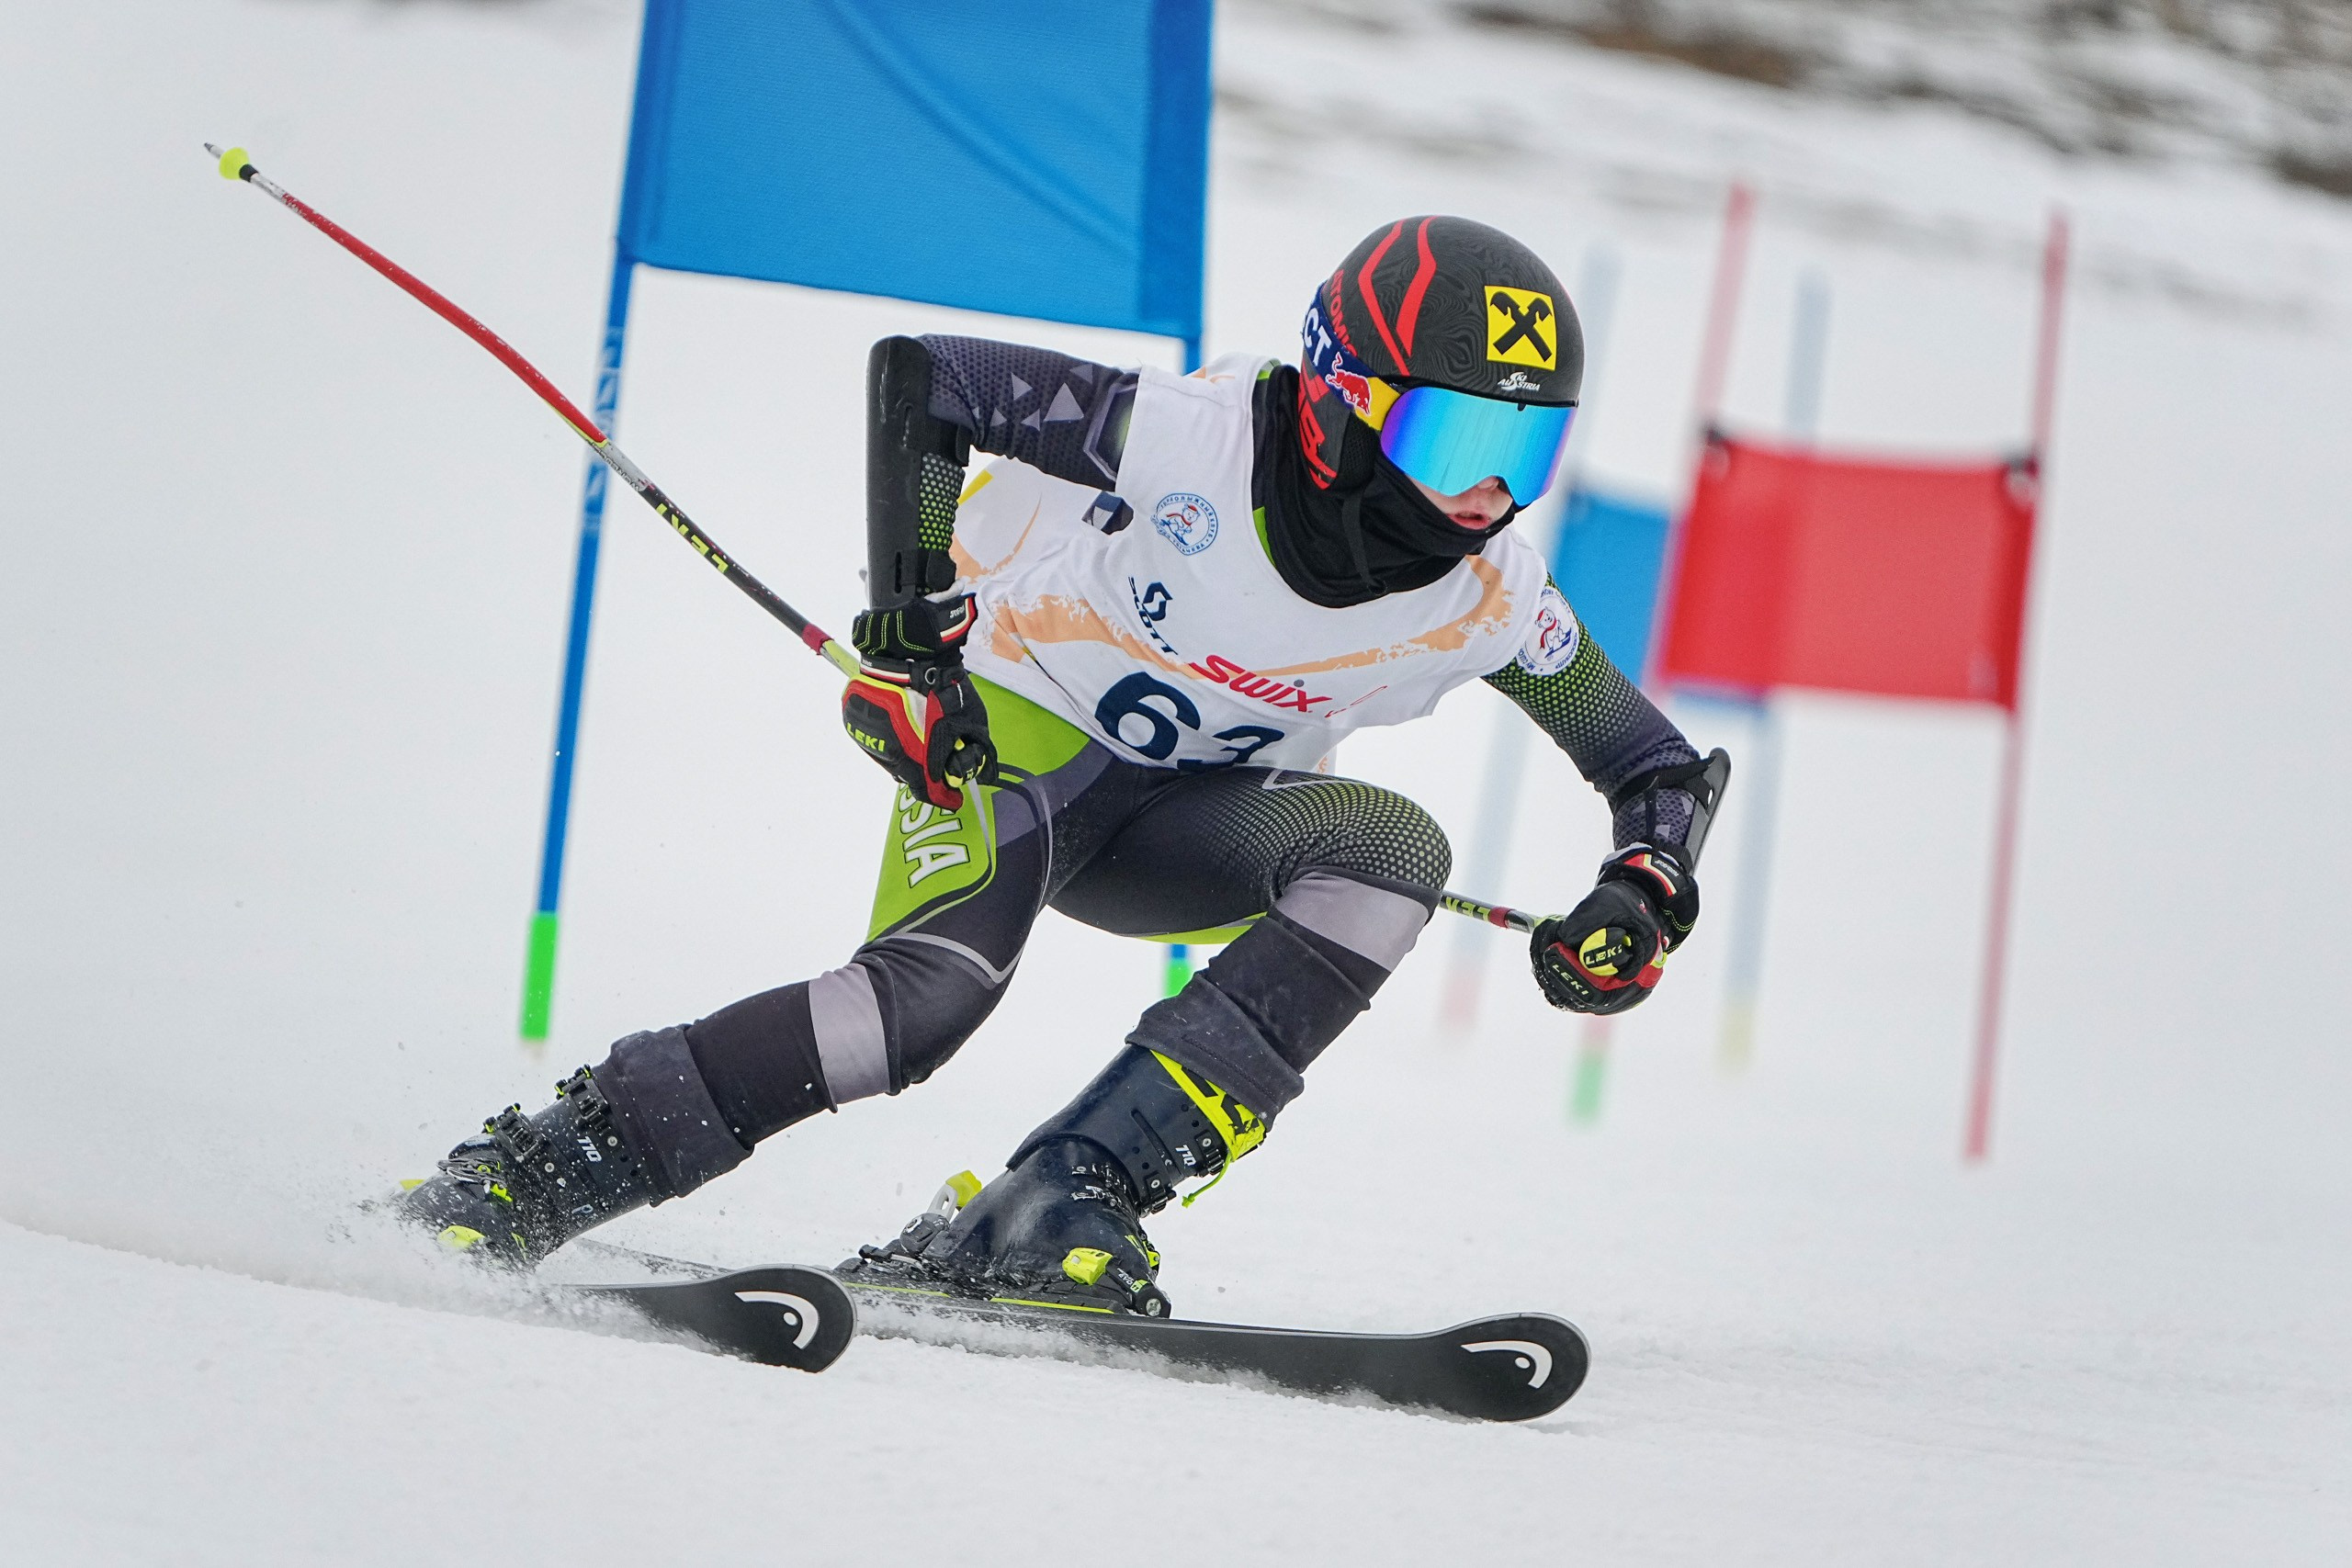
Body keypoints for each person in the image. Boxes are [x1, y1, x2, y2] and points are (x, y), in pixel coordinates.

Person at [399, 216, 1725, 1315]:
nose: (1488, 499)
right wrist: (914, 633)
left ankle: (1068, 1197)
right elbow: (932, 378)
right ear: (1343, 402)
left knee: (1395, 861)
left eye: (1525, 450)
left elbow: (1651, 762)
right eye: (1459, 445)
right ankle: (529, 1177)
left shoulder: (1490, 595)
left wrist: (1643, 888)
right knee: (907, 1019)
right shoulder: (1201, 440)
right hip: (1010, 734)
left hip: (1185, 828)